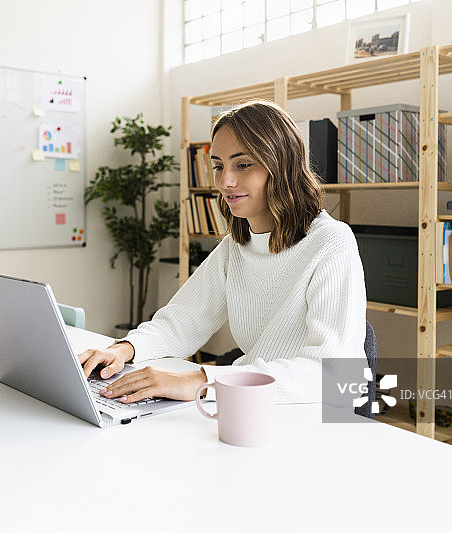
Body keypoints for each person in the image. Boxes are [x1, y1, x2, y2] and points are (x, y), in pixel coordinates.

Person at [79, 100, 367, 404]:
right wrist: (122, 350)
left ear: (282, 165)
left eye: (243, 165)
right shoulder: (235, 247)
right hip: (253, 407)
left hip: (311, 416)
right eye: (218, 166)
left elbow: (334, 374)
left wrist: (204, 380)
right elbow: (181, 322)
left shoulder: (331, 242)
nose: (225, 182)